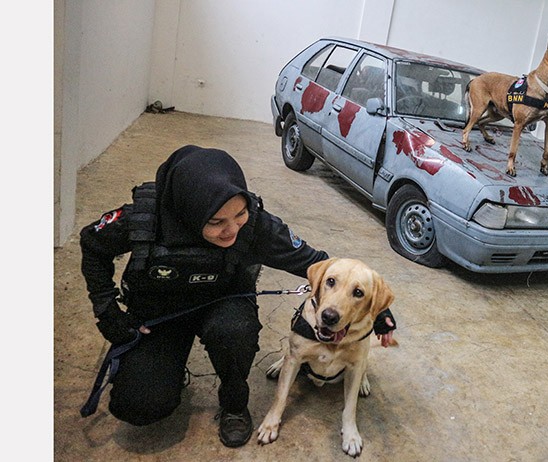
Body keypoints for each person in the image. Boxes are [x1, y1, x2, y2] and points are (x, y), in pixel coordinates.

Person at [79, 145, 395, 447]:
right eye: (216, 222)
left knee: (236, 332)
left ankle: (233, 403)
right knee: (139, 406)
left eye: (239, 215)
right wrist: (107, 309)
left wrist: (374, 309)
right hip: (161, 314)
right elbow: (92, 244)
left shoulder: (256, 225)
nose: (232, 230)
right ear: (190, 212)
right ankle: (169, 367)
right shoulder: (145, 218)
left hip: (222, 304)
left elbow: (321, 265)